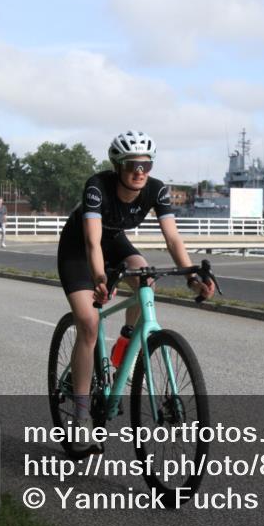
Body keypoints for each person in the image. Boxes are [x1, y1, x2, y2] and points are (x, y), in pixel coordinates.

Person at [56, 131, 215, 450]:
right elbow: (90, 241)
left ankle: (124, 347)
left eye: (146, 164)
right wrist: (100, 277)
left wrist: (191, 277)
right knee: (88, 324)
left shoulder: (157, 190)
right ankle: (82, 419)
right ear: (117, 165)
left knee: (146, 278)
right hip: (78, 248)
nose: (140, 171)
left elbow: (172, 239)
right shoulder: (97, 187)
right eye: (132, 164)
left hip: (113, 241)